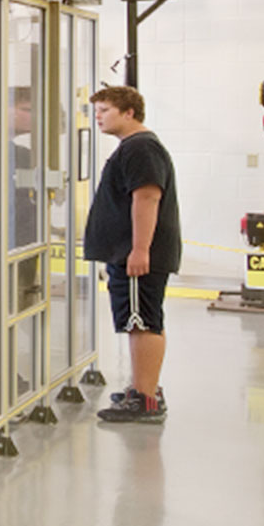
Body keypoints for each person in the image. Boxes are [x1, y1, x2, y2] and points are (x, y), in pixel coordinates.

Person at [84, 85, 180, 424]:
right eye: (96, 112)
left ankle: (146, 400)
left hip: (136, 255)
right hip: (128, 252)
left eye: (105, 110)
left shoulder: (140, 148)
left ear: (129, 112)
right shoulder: (134, 147)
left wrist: (139, 250)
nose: (98, 117)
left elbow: (147, 197)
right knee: (139, 320)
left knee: (143, 322)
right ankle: (145, 390)